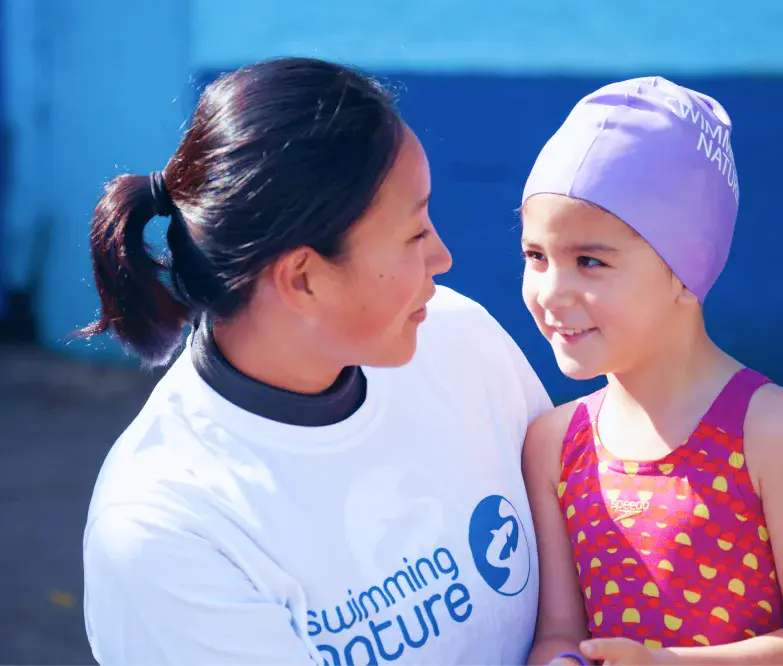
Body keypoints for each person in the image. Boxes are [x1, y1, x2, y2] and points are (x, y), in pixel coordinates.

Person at [80, 57, 552, 665]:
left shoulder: (461, 340)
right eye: (413, 234)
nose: (443, 257)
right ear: (303, 279)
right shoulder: (166, 531)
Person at [519, 77, 783, 666]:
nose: (552, 292)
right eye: (535, 256)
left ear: (687, 270)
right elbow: (560, 632)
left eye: (590, 261)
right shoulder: (553, 445)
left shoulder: (767, 433)